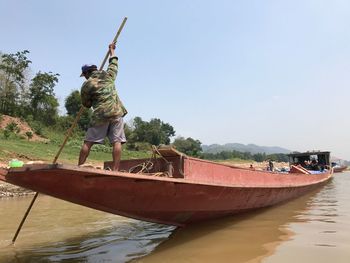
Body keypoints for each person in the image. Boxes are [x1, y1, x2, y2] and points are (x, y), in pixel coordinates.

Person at [78, 43, 127, 171]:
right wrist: (112, 51)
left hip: (100, 115)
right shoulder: (109, 76)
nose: (85, 77)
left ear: (87, 73)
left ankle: (80, 167)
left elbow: (86, 104)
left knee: (88, 142)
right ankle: (115, 170)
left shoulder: (87, 85)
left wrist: (91, 100)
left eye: (85, 75)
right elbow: (114, 64)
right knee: (116, 142)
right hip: (116, 113)